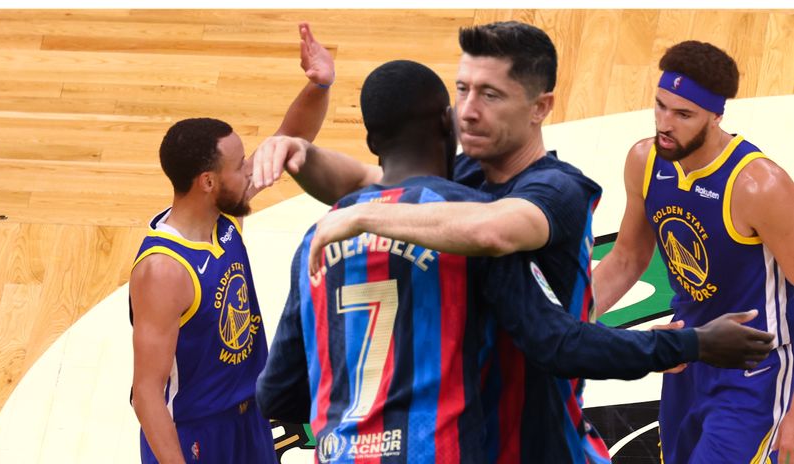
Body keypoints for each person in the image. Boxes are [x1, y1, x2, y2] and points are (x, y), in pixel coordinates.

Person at [253, 59, 774, 463]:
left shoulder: (317, 240)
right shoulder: (474, 226)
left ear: (370, 140)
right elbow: (557, 343)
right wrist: (690, 344)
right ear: (450, 124)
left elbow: (279, 396)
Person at [250, 21, 610, 461]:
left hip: (539, 437)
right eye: (463, 91)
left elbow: (491, 230)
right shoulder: (454, 184)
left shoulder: (554, 191)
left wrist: (361, 215)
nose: (469, 111)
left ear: (540, 107)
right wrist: (300, 152)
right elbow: (373, 180)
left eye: (490, 95)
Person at [128, 23, 334, 464]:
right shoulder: (164, 270)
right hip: (198, 435)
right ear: (207, 182)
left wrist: (319, 86)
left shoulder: (223, 217)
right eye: (239, 166)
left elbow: (286, 140)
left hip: (251, 417)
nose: (250, 170)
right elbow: (145, 394)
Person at [590, 40, 794, 463]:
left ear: (716, 116)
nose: (665, 124)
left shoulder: (759, 187)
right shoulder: (645, 160)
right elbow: (626, 258)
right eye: (660, 106)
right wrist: (562, 324)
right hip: (688, 359)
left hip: (754, 372)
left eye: (683, 115)